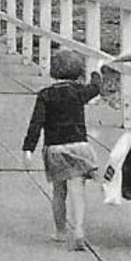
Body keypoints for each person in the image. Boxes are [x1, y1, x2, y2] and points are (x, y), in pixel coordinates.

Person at [21, 51, 109, 250]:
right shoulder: (79, 91)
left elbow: (36, 124)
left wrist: (28, 148)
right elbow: (96, 88)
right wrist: (97, 72)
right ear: (78, 72)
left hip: (55, 148)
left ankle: (60, 231)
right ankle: (78, 229)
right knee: (77, 188)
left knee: (59, 191)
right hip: (78, 146)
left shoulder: (45, 95)